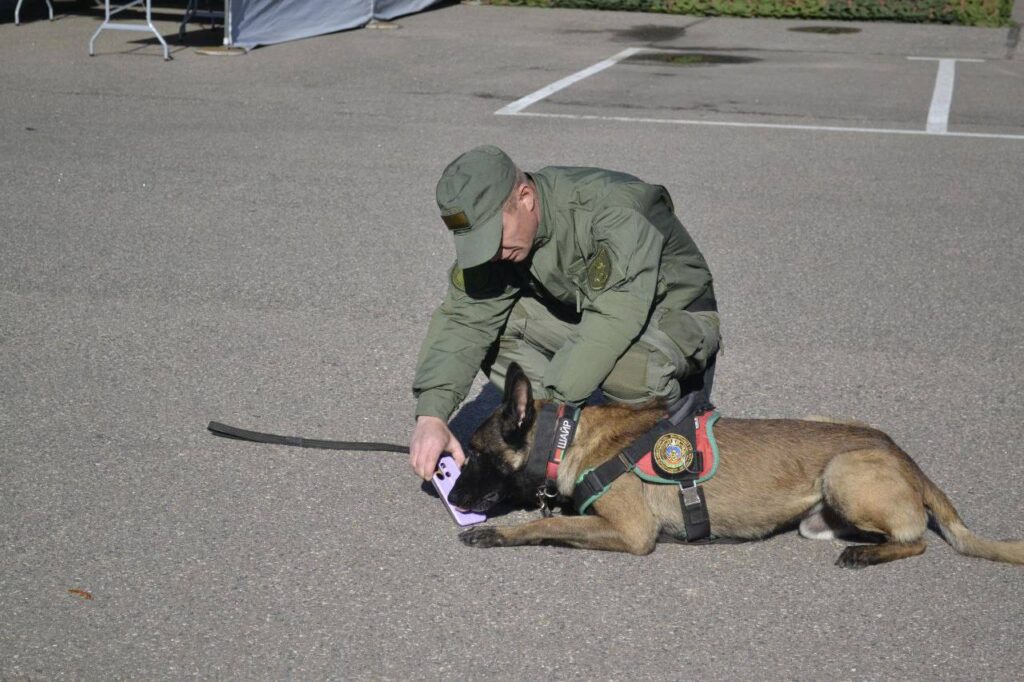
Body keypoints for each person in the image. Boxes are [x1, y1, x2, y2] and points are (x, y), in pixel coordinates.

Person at [409, 145, 720, 480]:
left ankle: (655, 442)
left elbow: (612, 321)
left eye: (494, 237)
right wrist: (432, 415)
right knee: (497, 329)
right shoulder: (506, 242)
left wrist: (550, 417)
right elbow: (465, 320)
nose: (493, 253)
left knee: (629, 370)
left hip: (676, 316)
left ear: (525, 197)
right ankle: (567, 441)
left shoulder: (613, 209)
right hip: (589, 311)